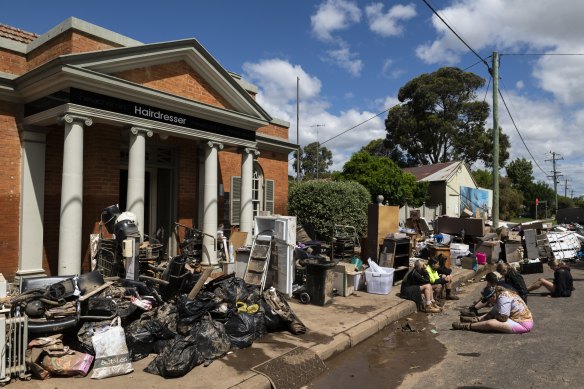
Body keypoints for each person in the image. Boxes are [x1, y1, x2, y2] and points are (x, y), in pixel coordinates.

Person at [452, 286, 534, 334]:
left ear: (492, 297)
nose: (489, 302)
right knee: (491, 314)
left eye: (489, 300)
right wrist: (490, 315)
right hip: (517, 319)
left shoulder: (503, 297)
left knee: (489, 323)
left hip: (523, 324)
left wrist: (492, 316)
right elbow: (493, 312)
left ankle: (467, 326)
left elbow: (503, 318)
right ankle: (475, 320)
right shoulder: (501, 294)